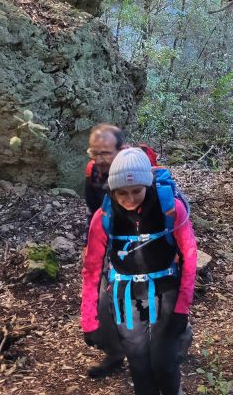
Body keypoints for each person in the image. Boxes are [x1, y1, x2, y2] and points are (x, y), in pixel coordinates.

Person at [81, 148, 197, 395]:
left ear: (148, 185)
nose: (130, 199)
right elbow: (91, 269)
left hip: (166, 290)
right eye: (122, 192)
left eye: (137, 191)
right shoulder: (104, 217)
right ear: (112, 190)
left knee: (164, 363)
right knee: (139, 364)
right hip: (125, 295)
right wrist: (89, 318)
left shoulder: (170, 208)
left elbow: (189, 256)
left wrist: (182, 309)